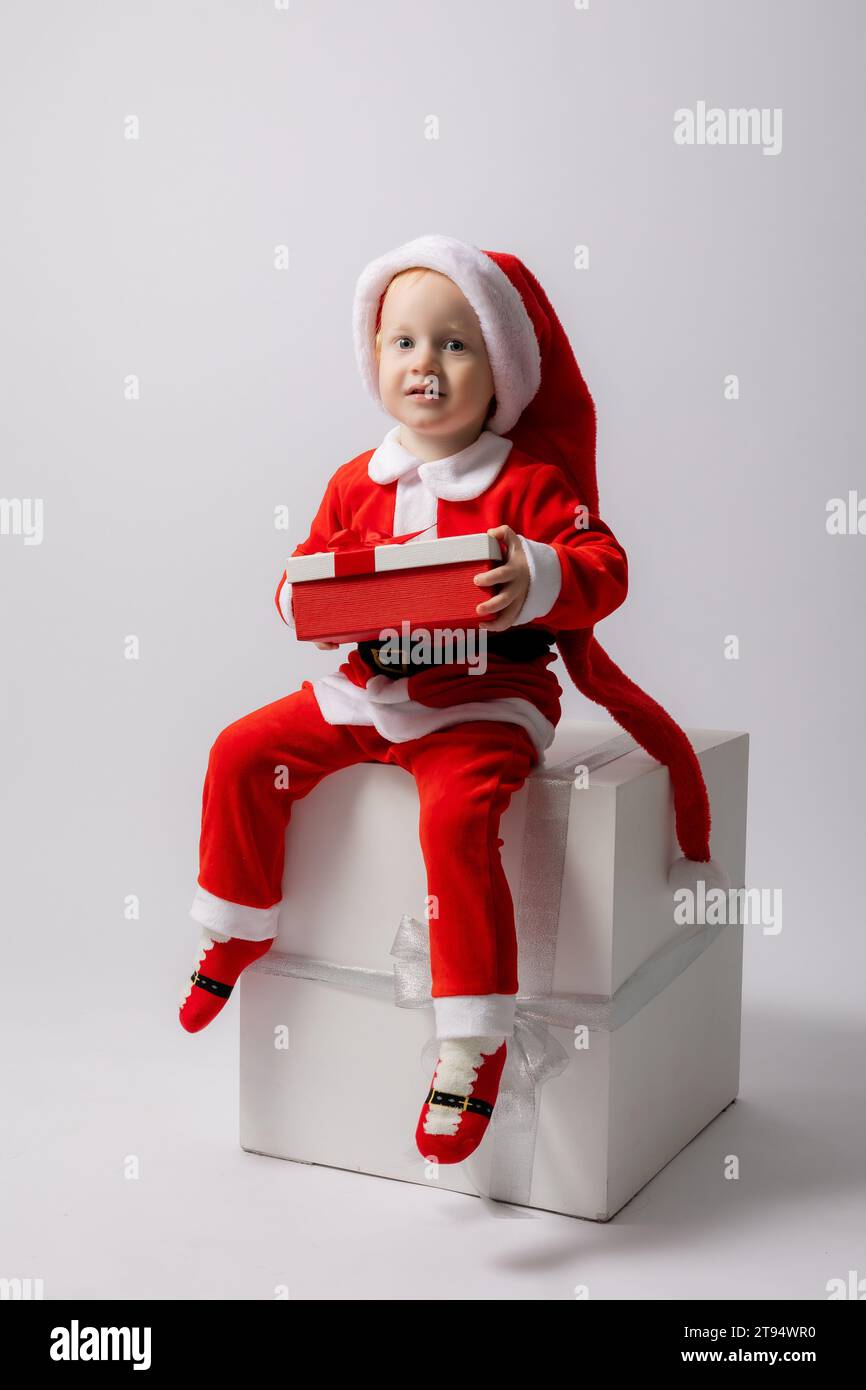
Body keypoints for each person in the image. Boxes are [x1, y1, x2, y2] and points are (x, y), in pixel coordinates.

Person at [179, 234, 724, 1165]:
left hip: (484, 699)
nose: (424, 364)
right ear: (375, 360)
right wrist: (303, 601)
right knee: (240, 750)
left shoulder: (525, 481)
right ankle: (237, 928)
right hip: (374, 688)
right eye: (403, 343)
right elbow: (305, 572)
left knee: (456, 823)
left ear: (502, 372)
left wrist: (539, 576)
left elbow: (605, 567)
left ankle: (471, 1040)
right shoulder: (359, 481)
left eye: (454, 345)